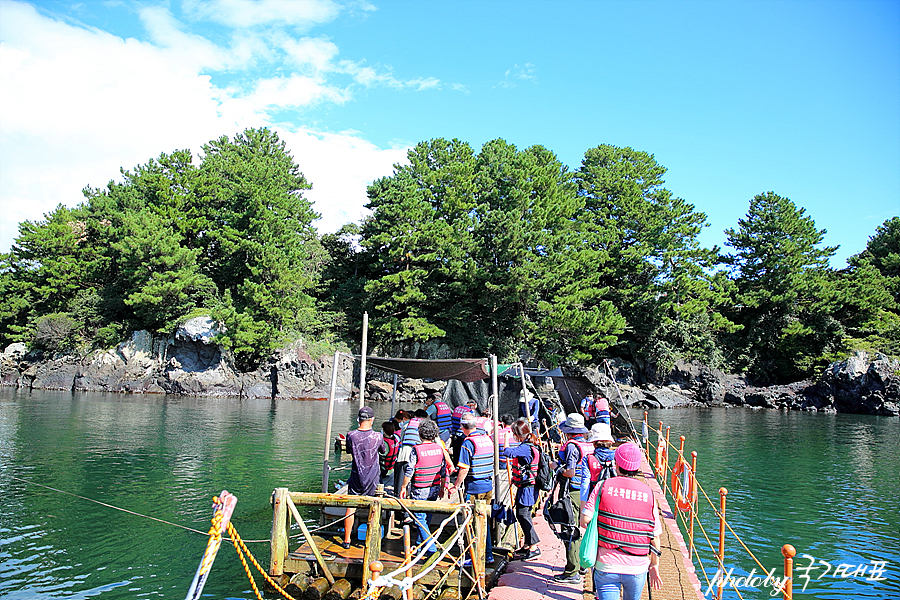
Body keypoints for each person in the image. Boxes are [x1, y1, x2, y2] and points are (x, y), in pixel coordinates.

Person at [580, 442, 662, 600]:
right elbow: (655, 536)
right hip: (637, 567)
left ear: (616, 464)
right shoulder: (648, 493)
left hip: (606, 564)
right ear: (638, 467)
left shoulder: (602, 486)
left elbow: (586, 519)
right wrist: (654, 565)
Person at [553, 413, 592, 583]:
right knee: (579, 528)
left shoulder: (571, 447)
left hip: (572, 491)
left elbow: (570, 472)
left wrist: (556, 467)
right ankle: (581, 563)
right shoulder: (588, 444)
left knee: (570, 529)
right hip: (587, 491)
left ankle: (571, 571)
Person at [399, 419, 449, 553]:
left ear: (420, 434)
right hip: (435, 487)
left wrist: (403, 486)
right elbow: (443, 471)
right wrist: (442, 488)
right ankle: (419, 545)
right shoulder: (439, 448)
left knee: (419, 519)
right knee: (427, 516)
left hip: (420, 488)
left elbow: (410, 470)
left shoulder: (417, 449)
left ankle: (431, 549)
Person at [451, 412, 495, 563]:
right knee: (484, 520)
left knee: (471, 521)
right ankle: (488, 554)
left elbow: (464, 468)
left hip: (475, 487)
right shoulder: (487, 439)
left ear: (463, 427)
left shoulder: (468, 443)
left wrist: (456, 485)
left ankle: (473, 555)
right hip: (488, 485)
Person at [343, 406, 388, 548]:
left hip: (356, 475)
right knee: (374, 506)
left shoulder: (351, 435)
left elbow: (349, 450)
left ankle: (347, 540)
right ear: (372, 419)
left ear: (359, 419)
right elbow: (383, 450)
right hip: (373, 477)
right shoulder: (378, 436)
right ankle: (372, 537)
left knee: (351, 507)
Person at [500, 419, 542, 560]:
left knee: (523, 514)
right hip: (524, 484)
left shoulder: (526, 447)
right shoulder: (528, 445)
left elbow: (508, 452)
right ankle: (527, 545)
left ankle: (534, 545)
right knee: (522, 513)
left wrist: (505, 439)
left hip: (528, 487)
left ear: (518, 434)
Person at [580, 423, 616, 502]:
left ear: (594, 442)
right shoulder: (617, 456)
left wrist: (583, 505)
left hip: (594, 499)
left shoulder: (588, 458)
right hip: (613, 497)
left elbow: (585, 484)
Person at [380, 420, 401, 488]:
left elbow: (380, 454)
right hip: (391, 469)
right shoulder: (395, 440)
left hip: (384, 470)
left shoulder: (385, 443)